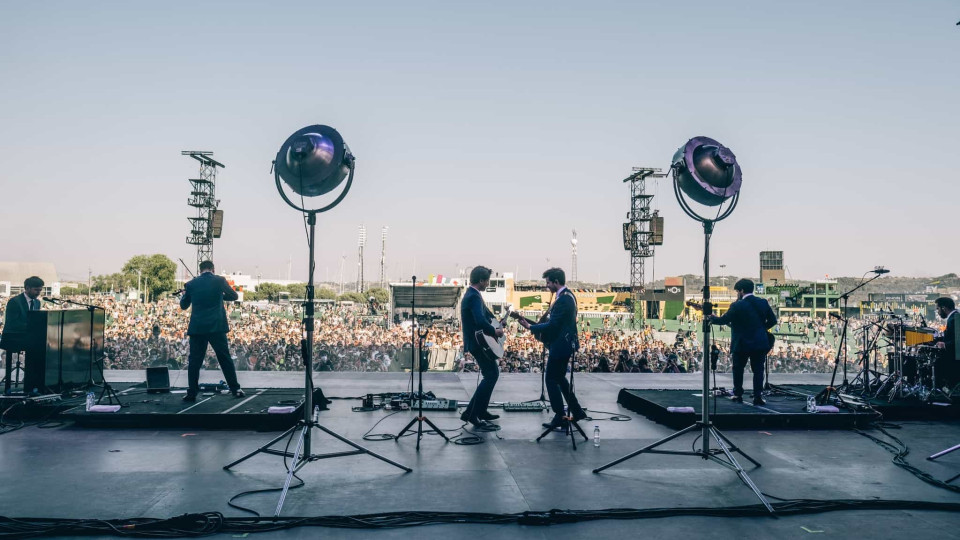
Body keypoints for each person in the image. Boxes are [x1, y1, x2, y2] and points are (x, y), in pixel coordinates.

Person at [516, 267, 586, 430]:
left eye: (548, 282)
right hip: (564, 344)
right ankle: (576, 410)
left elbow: (553, 325)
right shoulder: (567, 296)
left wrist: (531, 327)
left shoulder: (563, 300)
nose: (547, 285)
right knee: (560, 379)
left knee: (551, 379)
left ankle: (560, 416)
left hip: (560, 346)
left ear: (556, 281)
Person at [179, 260, 244, 401]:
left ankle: (191, 393)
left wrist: (183, 294)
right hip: (217, 326)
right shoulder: (220, 280)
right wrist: (220, 295)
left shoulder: (191, 284)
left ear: (200, 270)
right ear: (213, 269)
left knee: (195, 361)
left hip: (198, 328)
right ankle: (235, 389)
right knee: (224, 358)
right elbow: (234, 296)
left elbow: (184, 305)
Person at [709, 278, 777, 406]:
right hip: (759, 343)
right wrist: (761, 328)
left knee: (738, 369)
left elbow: (724, 320)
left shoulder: (737, 305)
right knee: (758, 370)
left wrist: (712, 317)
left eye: (737, 291)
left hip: (741, 343)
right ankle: (758, 396)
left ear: (741, 291)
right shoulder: (763, 302)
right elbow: (773, 321)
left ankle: (738, 394)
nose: (737, 294)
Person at [459, 266, 503, 428]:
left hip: (476, 342)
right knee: (491, 375)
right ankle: (472, 413)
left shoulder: (471, 294)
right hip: (478, 343)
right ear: (481, 281)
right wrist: (494, 331)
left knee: (491, 374)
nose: (488, 284)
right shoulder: (474, 297)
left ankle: (481, 410)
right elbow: (479, 320)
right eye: (487, 281)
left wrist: (497, 324)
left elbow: (482, 318)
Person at [1, 276, 43, 394]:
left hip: (28, 336)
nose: (38, 293)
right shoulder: (14, 302)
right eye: (36, 290)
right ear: (27, 288)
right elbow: (13, 323)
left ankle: (34, 384)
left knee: (43, 348)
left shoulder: (37, 302)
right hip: (13, 337)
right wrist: (32, 328)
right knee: (35, 349)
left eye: (40, 290)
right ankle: (28, 385)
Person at [933, 297, 958, 387]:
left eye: (938, 309)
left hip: (954, 359)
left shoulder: (954, 318)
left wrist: (944, 345)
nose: (938, 312)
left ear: (944, 308)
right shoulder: (954, 317)